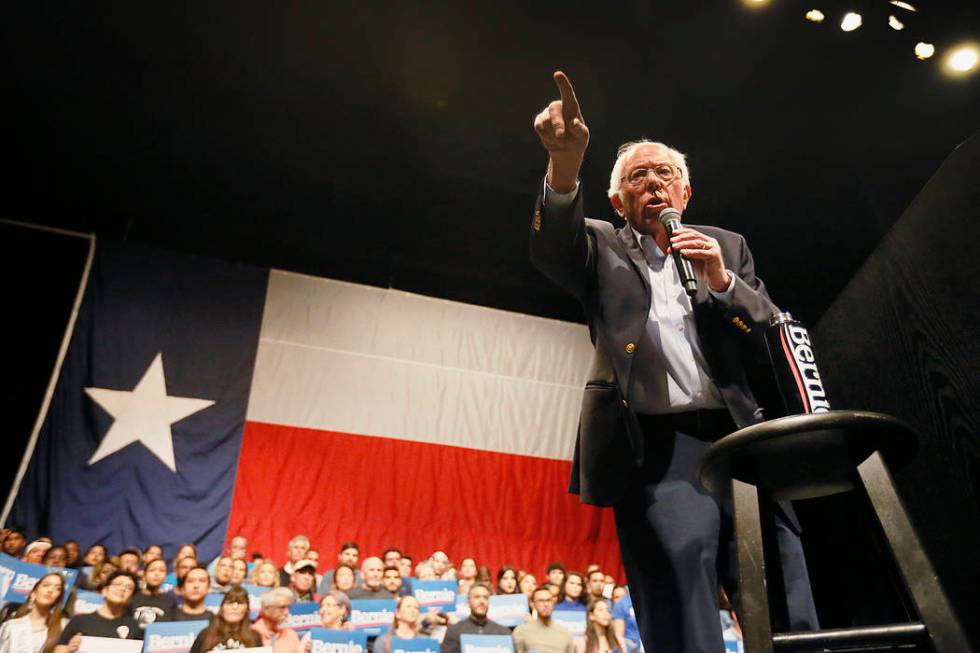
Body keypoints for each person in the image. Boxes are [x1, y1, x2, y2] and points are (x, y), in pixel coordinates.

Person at [530, 71, 819, 652]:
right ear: (618, 200)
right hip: (657, 450)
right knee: (680, 586)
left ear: (685, 195)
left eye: (667, 174)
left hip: (741, 437)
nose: (655, 183)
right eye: (639, 176)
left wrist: (723, 281)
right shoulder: (600, 246)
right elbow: (551, 247)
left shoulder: (727, 246)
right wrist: (565, 164)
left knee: (782, 581)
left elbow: (770, 334)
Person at [55, 571, 142, 651]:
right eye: (117, 584)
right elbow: (58, 650)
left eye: (129, 587)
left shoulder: (134, 625)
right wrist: (69, 649)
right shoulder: (80, 621)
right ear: (104, 591)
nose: (122, 589)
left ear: (130, 599)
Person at [0, 573, 67, 653]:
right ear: (33, 593)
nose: (50, 590)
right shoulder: (11, 627)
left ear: (58, 598)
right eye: (46, 585)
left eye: (57, 588)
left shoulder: (61, 629)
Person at [441, 583, 511, 653]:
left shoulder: (503, 633)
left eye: (485, 598)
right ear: (468, 602)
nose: (482, 601)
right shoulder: (454, 631)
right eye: (477, 597)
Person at [189, 586, 261, 653]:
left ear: (247, 609)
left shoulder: (255, 637)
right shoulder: (205, 635)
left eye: (240, 603)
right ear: (222, 607)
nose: (235, 607)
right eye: (230, 602)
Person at [512, 586, 574, 653]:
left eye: (549, 600)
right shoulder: (521, 631)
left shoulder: (565, 633)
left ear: (553, 603)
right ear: (532, 604)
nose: (546, 604)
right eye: (541, 601)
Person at [251, 588, 310, 653]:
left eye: (288, 608)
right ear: (266, 609)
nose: (286, 612)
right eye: (282, 607)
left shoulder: (291, 635)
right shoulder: (251, 634)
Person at [130, 558, 178, 629]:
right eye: (152, 570)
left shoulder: (170, 601)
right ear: (144, 575)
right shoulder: (132, 598)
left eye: (162, 570)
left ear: (165, 576)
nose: (157, 574)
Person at [610, 589, 639, 653]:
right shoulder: (619, 606)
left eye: (623, 596)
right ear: (611, 599)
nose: (621, 600)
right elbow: (619, 635)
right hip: (631, 647)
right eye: (617, 597)